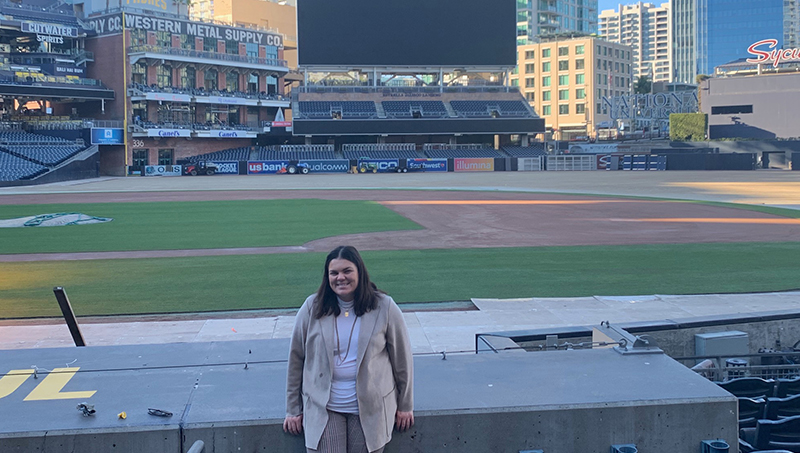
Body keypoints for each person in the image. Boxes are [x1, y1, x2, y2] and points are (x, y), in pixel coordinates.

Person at [284, 245, 414, 453]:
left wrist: (406, 405)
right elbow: (296, 359)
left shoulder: (384, 307)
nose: (340, 278)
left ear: (359, 273)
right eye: (334, 273)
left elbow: (402, 360)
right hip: (324, 407)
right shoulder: (312, 307)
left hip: (370, 408)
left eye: (347, 271)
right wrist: (293, 409)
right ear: (327, 277)